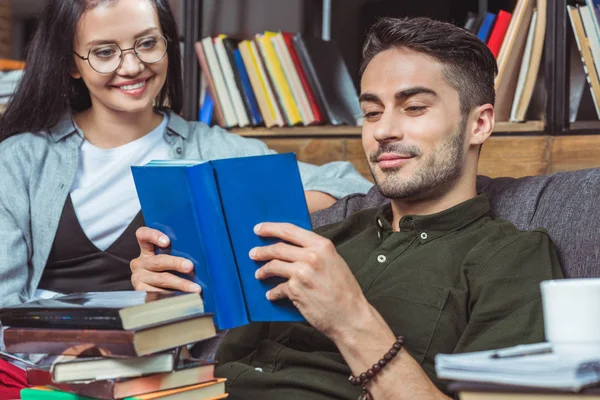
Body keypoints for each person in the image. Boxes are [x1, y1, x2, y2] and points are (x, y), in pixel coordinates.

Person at [193, 17, 561, 399]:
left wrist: (349, 318)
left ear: (479, 124)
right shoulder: (323, 239)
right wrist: (162, 313)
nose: (383, 130)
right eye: (371, 112)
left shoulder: (512, 256)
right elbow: (216, 370)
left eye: (414, 107)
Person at [0, 0, 372, 309]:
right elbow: (4, 301)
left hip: (167, 358)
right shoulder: (21, 159)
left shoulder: (209, 148)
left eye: (147, 43)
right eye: (104, 52)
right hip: (39, 359)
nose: (131, 67)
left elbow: (348, 183)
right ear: (71, 64)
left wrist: (235, 208)